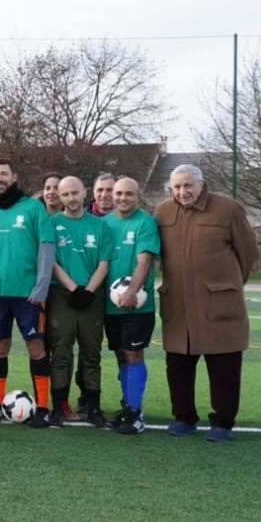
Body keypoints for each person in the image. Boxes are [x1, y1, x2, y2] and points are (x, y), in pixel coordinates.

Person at [155, 165, 260, 442]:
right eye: (177, 187)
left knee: (224, 367)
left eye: (188, 185)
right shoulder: (162, 212)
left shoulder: (228, 209)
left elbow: (248, 252)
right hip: (177, 303)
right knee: (178, 364)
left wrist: (230, 285)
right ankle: (184, 417)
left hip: (218, 304)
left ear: (203, 184)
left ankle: (223, 422)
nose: (182, 192)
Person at [0, 159, 58, 427]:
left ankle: (43, 407)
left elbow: (46, 245)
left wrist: (42, 284)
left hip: (28, 293)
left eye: (4, 174)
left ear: (14, 176)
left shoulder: (33, 207)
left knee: (36, 347)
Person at [45, 176, 109, 426]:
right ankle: (59, 408)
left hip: (92, 295)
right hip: (62, 295)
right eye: (65, 194)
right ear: (59, 197)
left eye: (75, 193)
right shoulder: (51, 224)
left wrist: (89, 290)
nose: (71, 198)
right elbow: (51, 261)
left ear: (85, 193)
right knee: (60, 352)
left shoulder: (100, 226)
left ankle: (93, 408)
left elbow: (104, 262)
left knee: (92, 353)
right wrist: (73, 289)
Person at [101, 176, 160, 435]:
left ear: (138, 196)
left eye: (128, 194)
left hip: (137, 306)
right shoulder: (104, 223)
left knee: (134, 354)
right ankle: (127, 406)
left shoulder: (145, 223)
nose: (122, 198)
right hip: (110, 305)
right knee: (121, 355)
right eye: (119, 193)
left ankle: (136, 413)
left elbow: (144, 261)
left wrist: (132, 292)